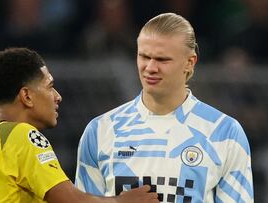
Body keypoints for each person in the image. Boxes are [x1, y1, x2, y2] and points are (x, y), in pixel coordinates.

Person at [75, 13, 254, 202]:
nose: (150, 67)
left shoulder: (224, 132)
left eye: (162, 60)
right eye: (144, 56)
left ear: (189, 62)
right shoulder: (100, 130)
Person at [0, 47, 159, 203]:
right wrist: (122, 201)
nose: (58, 97)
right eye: (50, 86)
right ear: (27, 96)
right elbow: (69, 200)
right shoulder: (22, 136)